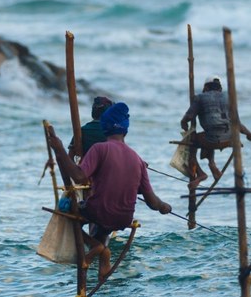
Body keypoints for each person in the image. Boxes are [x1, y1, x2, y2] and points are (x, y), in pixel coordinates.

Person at [47, 102, 172, 281]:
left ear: (105, 128)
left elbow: (80, 176)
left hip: (99, 212)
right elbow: (152, 202)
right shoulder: (138, 160)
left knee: (65, 213)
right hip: (123, 218)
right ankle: (102, 257)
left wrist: (58, 149)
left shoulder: (99, 149)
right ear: (126, 131)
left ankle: (97, 247)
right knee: (103, 225)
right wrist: (164, 207)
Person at [180, 75, 251, 189]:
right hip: (230, 139)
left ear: (205, 88)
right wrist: (249, 134)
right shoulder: (229, 98)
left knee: (192, 141)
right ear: (220, 89)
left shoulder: (200, 98)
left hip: (211, 139)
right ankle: (212, 165)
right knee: (208, 134)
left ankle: (200, 174)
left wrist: (184, 125)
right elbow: (237, 124)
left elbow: (188, 117)